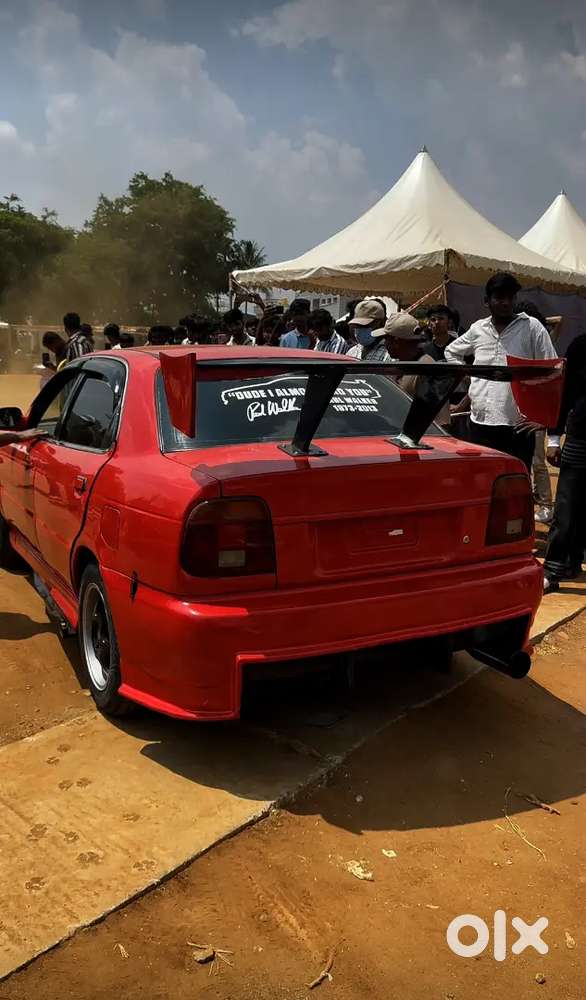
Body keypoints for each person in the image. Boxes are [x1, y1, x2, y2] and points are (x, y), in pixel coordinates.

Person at [444, 272, 557, 472]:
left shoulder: (531, 327)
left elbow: (551, 370)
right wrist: (470, 379)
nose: (505, 302)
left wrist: (543, 417)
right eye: (499, 297)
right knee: (482, 480)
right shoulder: (478, 328)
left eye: (510, 297)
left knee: (515, 483)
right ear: (487, 301)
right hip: (479, 422)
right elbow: (451, 351)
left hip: (517, 426)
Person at [543, 333, 586, 592]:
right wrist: (554, 437)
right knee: (567, 505)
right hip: (581, 436)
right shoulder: (581, 345)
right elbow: (566, 391)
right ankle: (553, 568)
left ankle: (573, 560)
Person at [515, 301, 555, 523]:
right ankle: (528, 503)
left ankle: (546, 505)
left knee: (538, 460)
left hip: (534, 411)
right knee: (523, 461)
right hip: (515, 410)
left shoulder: (541, 338)